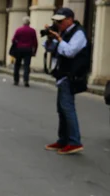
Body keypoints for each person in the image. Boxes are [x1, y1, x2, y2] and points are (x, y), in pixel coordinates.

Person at [43, 8, 89, 155]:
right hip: (62, 75)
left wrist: (60, 39)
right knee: (62, 109)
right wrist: (51, 38)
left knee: (67, 109)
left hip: (70, 76)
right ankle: (63, 139)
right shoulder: (64, 32)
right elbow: (50, 49)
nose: (58, 24)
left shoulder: (78, 33)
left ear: (70, 19)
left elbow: (70, 52)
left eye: (60, 21)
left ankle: (74, 141)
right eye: (56, 21)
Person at [11, 16, 38, 87]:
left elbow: (13, 40)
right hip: (28, 49)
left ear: (23, 23)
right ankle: (26, 80)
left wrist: (17, 44)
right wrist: (34, 51)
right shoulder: (32, 31)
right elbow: (35, 42)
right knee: (26, 65)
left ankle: (16, 80)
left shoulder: (19, 30)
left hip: (19, 49)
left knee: (17, 65)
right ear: (29, 23)